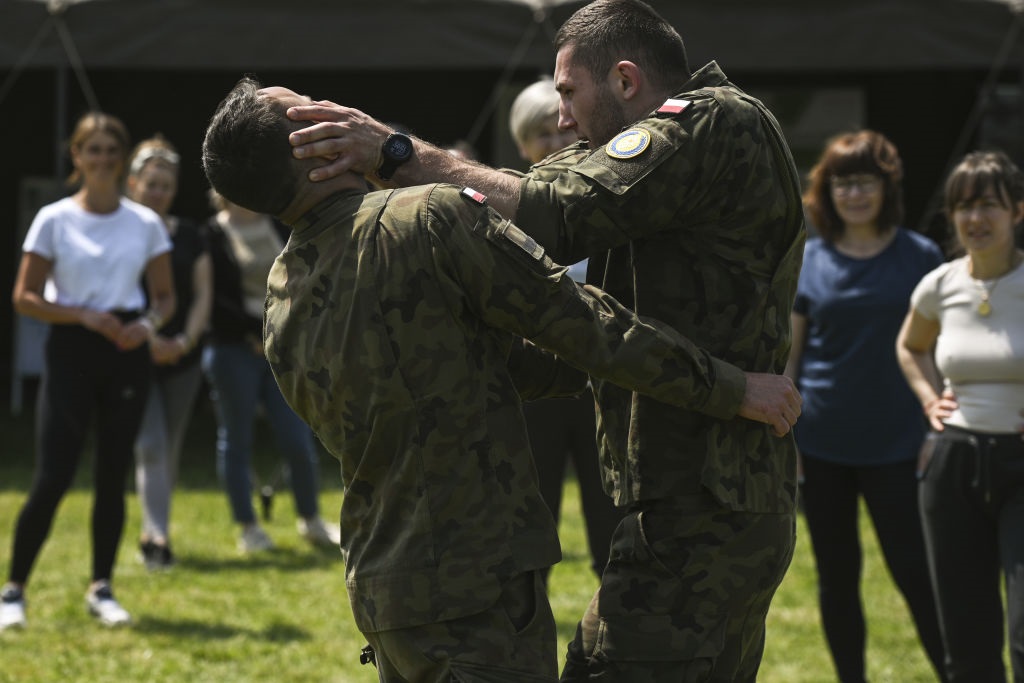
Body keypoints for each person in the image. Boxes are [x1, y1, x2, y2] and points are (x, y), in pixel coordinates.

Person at [202, 76, 801, 683]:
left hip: (387, 589)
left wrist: (629, 378)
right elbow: (582, 324)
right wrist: (729, 386)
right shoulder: (427, 219)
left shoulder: (284, 291)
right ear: (319, 147)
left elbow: (490, 364)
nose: (335, 109)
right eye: (312, 111)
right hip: (476, 589)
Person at [0, 112, 175, 630]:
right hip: (72, 347)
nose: (100, 159)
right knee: (53, 475)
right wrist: (80, 315)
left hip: (125, 349)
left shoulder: (144, 223)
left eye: (109, 150)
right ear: (75, 156)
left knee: (112, 473)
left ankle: (102, 586)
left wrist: (146, 324)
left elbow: (165, 298)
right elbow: (24, 297)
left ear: (122, 160)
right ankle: (14, 590)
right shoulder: (53, 218)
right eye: (90, 149)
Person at [785, 130, 948, 682]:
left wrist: (936, 429)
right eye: (842, 183)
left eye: (865, 182)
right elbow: (792, 358)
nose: (854, 194)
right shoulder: (809, 259)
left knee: (916, 573)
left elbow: (941, 353)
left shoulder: (921, 256)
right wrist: (788, 439)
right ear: (826, 192)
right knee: (837, 577)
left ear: (887, 188)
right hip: (823, 445)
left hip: (902, 446)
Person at [896, 149, 1024, 683]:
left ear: (1017, 211)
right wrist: (930, 399)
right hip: (953, 467)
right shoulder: (941, 284)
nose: (975, 219)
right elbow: (910, 346)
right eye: (963, 207)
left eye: (989, 205)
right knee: (966, 639)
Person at [508, 76, 621, 581]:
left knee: (611, 517)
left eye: (560, 131)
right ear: (521, 145)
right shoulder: (507, 207)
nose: (555, 144)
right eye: (540, 136)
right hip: (538, 386)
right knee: (533, 518)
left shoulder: (609, 199)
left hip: (606, 377)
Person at [202, 190, 340, 553]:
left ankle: (311, 521)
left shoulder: (279, 224)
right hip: (234, 349)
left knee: (297, 437)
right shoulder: (212, 234)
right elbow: (212, 297)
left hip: (283, 347)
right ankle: (249, 528)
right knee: (236, 439)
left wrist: (280, 333)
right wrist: (253, 333)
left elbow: (299, 278)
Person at [124, 134, 212, 570]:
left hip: (183, 358)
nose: (158, 192)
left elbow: (201, 295)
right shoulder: (119, 233)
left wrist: (185, 341)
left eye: (166, 185)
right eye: (151, 183)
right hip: (135, 355)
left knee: (169, 447)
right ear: (132, 184)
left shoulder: (192, 235)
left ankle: (155, 526)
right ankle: (156, 538)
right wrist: (149, 338)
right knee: (152, 445)